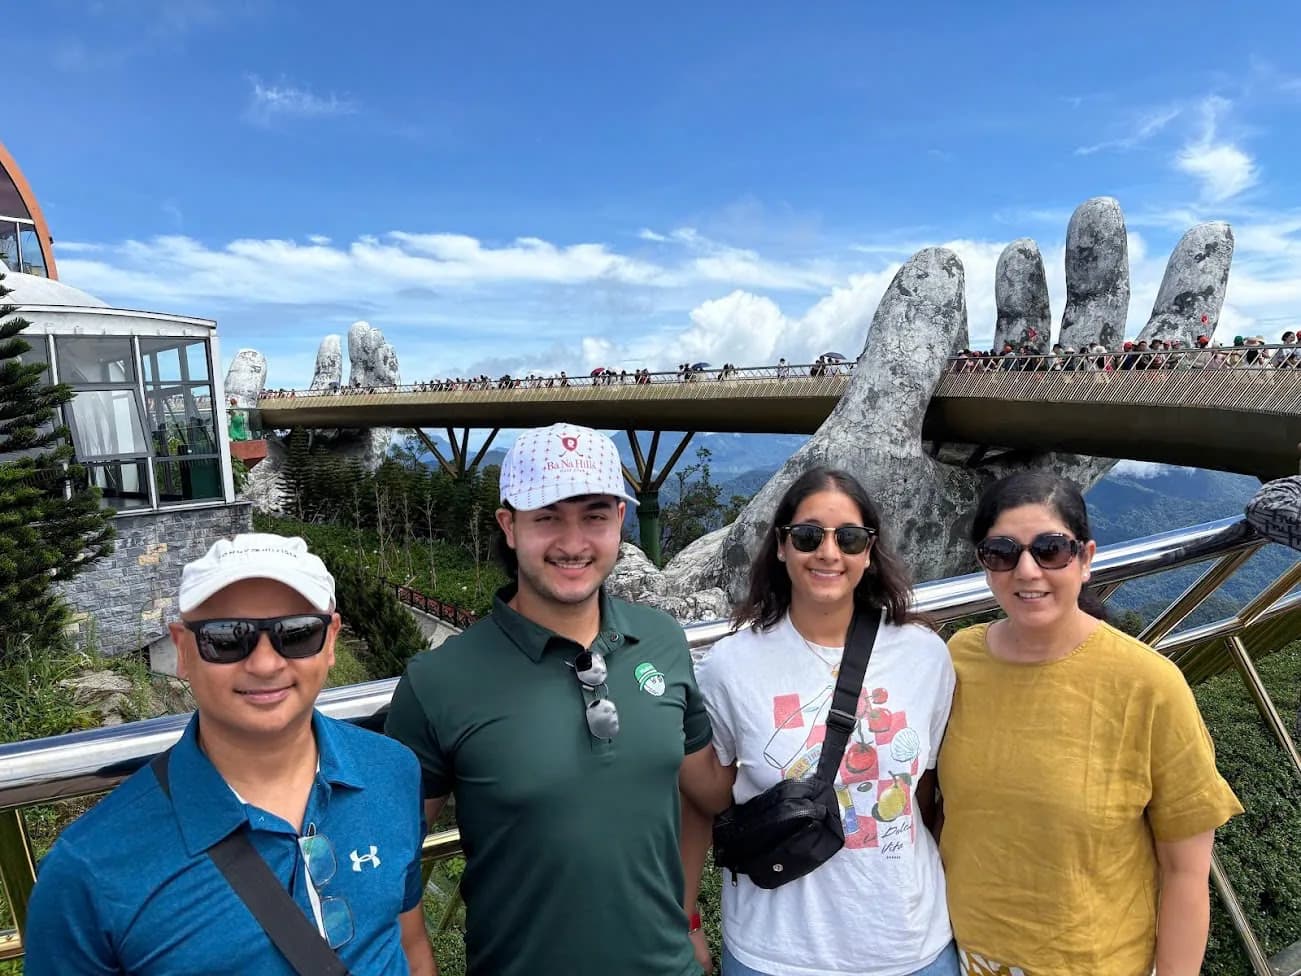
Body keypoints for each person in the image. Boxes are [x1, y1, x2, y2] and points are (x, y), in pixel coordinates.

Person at [385, 422, 734, 976]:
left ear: (621, 521)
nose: (573, 543)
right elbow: (389, 860)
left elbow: (705, 792)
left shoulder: (663, 641)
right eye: (547, 517)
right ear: (509, 526)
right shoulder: (439, 682)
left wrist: (687, 916)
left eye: (594, 515)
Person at [24, 534, 435, 976]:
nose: (264, 664)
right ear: (182, 650)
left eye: (296, 633)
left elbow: (408, 940)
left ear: (330, 640)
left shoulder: (392, 770)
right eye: (227, 638)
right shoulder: (88, 871)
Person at [938, 471, 1243, 976]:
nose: (1027, 570)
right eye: (1003, 552)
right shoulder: (958, 660)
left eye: (1051, 549)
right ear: (984, 565)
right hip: (962, 955)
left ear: (1086, 558)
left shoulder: (1148, 684)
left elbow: (1186, 872)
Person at [692, 467, 959, 976]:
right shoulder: (731, 665)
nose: (829, 553)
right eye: (809, 536)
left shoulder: (925, 656)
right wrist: (688, 919)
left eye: (850, 538)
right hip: (776, 950)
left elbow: (923, 793)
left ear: (869, 551)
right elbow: (707, 803)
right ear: (781, 547)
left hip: (908, 945)